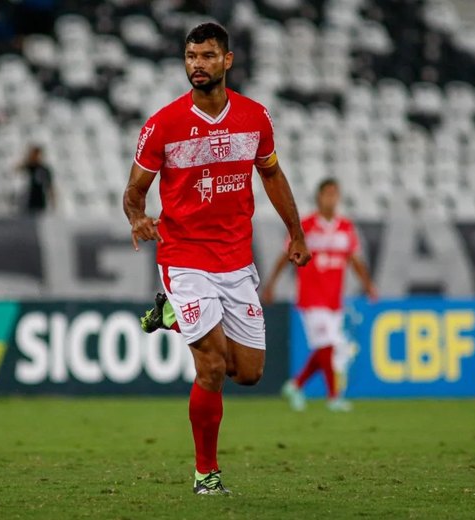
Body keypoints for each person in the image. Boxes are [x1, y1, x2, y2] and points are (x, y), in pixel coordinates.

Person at [123, 22, 311, 496]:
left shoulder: (254, 117)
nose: (197, 65)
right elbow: (133, 193)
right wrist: (138, 219)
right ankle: (206, 473)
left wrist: (296, 231)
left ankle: (167, 313)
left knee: (247, 373)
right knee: (210, 368)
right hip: (184, 256)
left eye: (207, 56)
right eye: (190, 56)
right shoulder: (163, 124)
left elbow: (271, 174)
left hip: (234, 259)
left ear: (227, 60)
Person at [262, 178, 377, 412]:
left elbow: (355, 260)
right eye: (327, 193)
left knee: (327, 348)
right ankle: (333, 397)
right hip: (311, 296)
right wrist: (271, 284)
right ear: (319, 197)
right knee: (327, 346)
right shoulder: (306, 226)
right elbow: (286, 256)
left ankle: (295, 385)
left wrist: (368, 285)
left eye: (335, 194)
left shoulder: (345, 227)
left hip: (334, 298)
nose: (331, 198)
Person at [19, 144, 55, 214]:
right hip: (28, 198)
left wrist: (53, 199)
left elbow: (49, 185)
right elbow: (17, 169)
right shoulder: (28, 167)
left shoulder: (44, 169)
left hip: (40, 198)